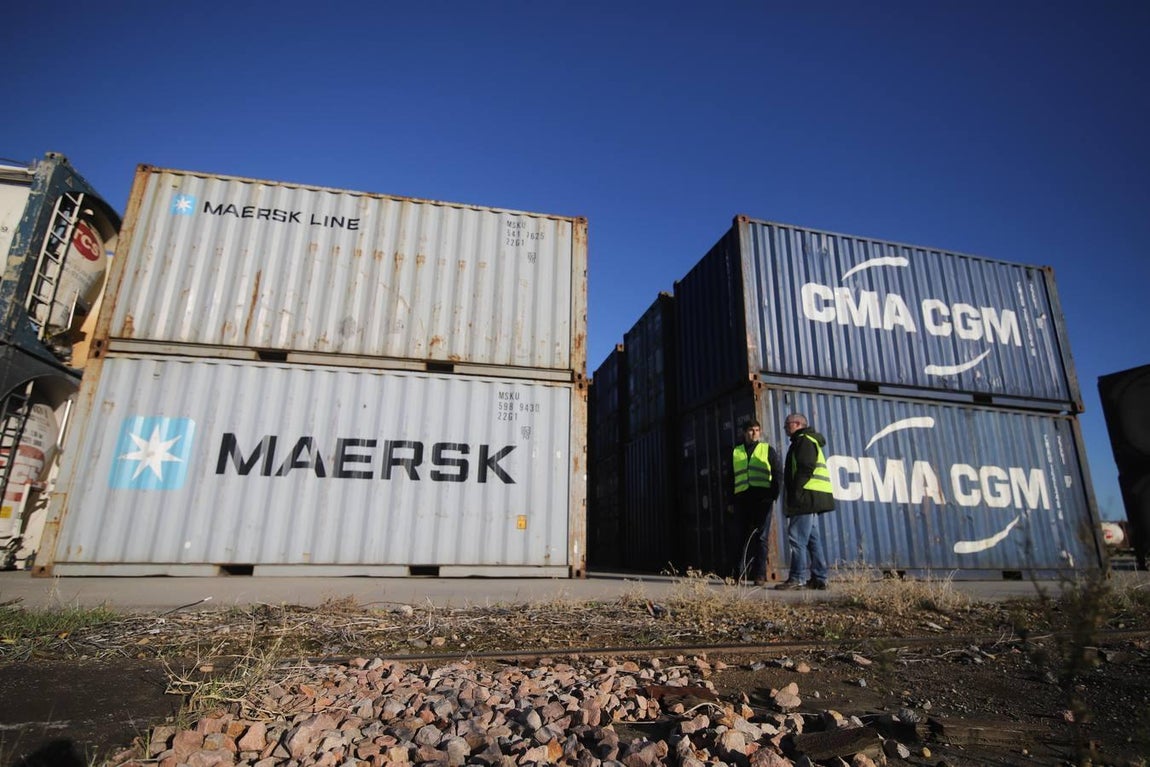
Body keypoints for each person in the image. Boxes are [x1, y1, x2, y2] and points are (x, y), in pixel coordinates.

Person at [776, 413, 835, 590]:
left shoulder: (804, 440)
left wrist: (797, 492)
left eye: (787, 424)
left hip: (806, 495)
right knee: (811, 539)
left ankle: (797, 578)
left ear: (797, 424)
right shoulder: (807, 440)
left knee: (796, 537)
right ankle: (819, 578)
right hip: (812, 495)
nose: (785, 428)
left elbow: (806, 467)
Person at [731, 419, 780, 585]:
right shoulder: (736, 451)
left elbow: (777, 473)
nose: (754, 433)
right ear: (744, 432)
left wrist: (773, 495)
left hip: (762, 500)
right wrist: (730, 500)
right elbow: (730, 477)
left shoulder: (767, 450)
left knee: (761, 538)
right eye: (751, 430)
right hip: (742, 499)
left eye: (757, 430)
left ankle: (759, 575)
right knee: (740, 537)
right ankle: (737, 575)